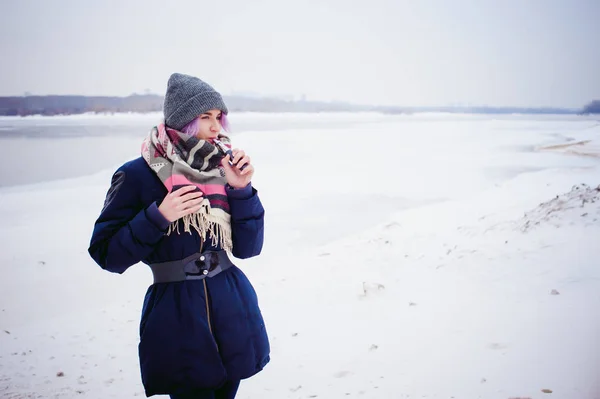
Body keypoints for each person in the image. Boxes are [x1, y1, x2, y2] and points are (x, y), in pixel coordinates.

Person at [88, 73, 270, 399]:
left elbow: (249, 248)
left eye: (218, 117)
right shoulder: (136, 175)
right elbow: (107, 255)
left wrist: (242, 190)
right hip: (177, 314)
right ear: (184, 120)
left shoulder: (223, 168)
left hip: (232, 304)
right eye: (205, 117)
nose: (216, 127)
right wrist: (158, 216)